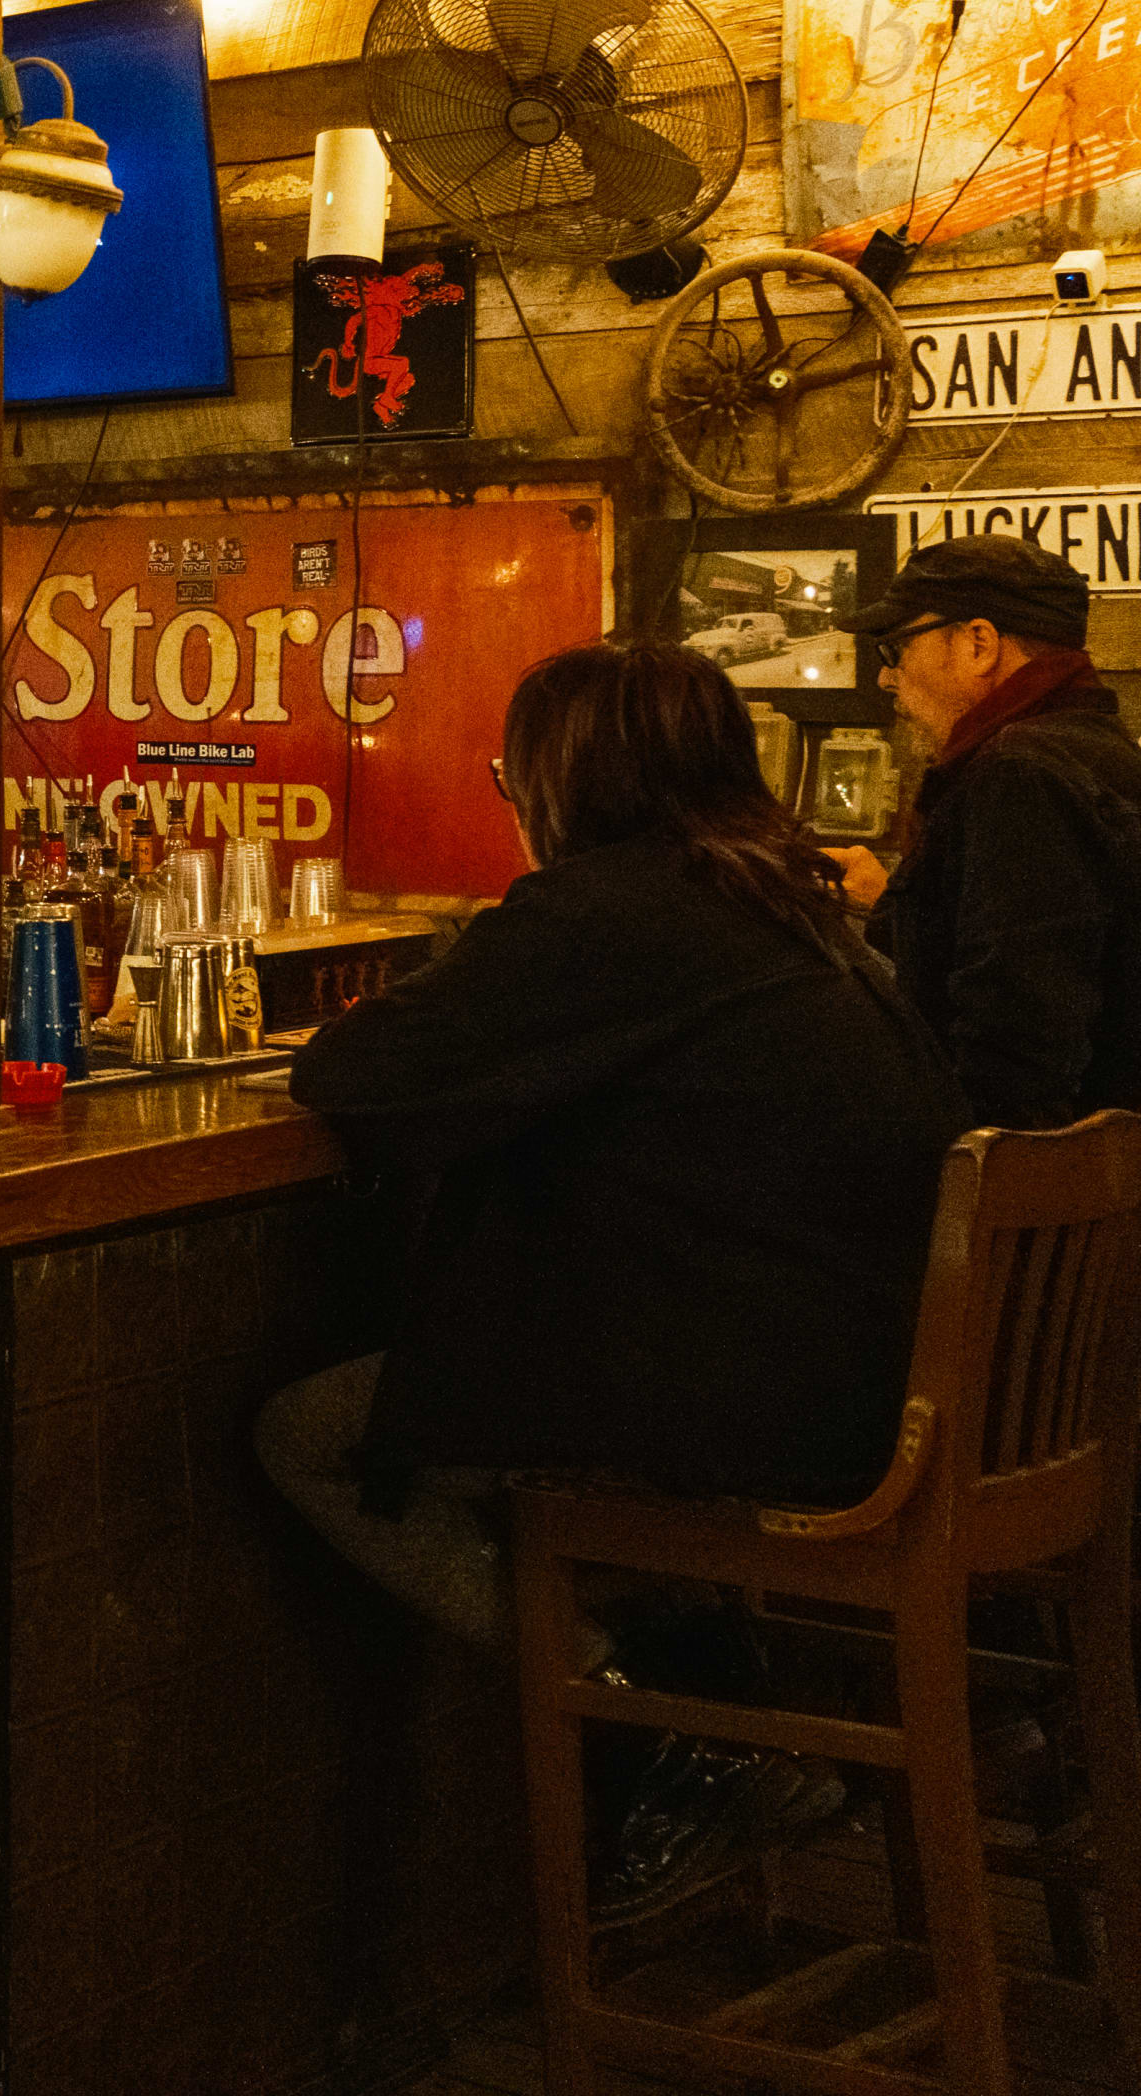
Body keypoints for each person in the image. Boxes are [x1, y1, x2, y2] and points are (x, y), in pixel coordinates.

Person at [256, 637, 963, 1924]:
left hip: (754, 1408)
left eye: (508, 775)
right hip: (865, 1374)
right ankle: (723, 1696)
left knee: (311, 1438)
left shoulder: (615, 911)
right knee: (564, 1368)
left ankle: (663, 1718)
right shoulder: (792, 901)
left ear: (562, 779)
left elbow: (353, 1075)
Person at [836, 534, 1141, 1129]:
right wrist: (888, 905)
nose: (886, 678)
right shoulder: (1097, 753)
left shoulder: (1021, 774)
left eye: (895, 647)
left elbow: (1016, 1048)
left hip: (1035, 1194)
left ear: (978, 644)